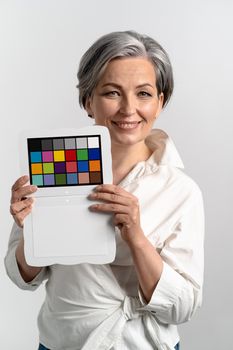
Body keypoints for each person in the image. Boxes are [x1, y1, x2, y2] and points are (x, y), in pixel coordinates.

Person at [5, 30, 205, 350]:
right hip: (64, 343)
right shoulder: (54, 166)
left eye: (143, 94)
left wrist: (136, 236)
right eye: (112, 93)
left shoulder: (181, 190)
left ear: (160, 103)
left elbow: (183, 308)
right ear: (88, 101)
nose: (128, 109)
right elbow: (21, 278)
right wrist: (30, 230)